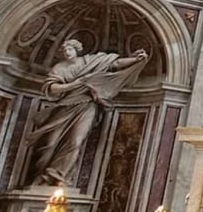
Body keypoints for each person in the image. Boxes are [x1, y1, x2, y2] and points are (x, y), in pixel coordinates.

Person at [22, 39, 149, 187]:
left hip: (87, 106)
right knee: (50, 143)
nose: (67, 53)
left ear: (77, 50)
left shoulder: (91, 61)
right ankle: (41, 177)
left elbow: (115, 64)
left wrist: (135, 59)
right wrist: (73, 85)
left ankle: (59, 176)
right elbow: (52, 88)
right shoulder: (60, 67)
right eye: (64, 51)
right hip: (65, 106)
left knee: (76, 141)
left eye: (69, 49)